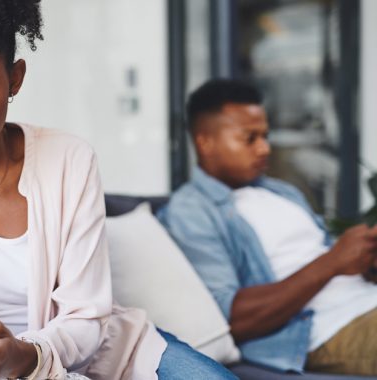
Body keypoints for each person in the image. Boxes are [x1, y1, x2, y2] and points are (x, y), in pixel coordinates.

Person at [0, 1, 236, 379]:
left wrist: (25, 354)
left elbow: (86, 317)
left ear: (14, 78)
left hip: (97, 355)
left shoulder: (69, 159)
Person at [159, 78, 377, 376]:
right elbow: (230, 320)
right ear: (205, 142)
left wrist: (365, 261)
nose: (264, 148)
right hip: (327, 330)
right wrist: (334, 261)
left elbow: (331, 260)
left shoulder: (282, 192)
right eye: (249, 138)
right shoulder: (190, 211)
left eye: (265, 136)